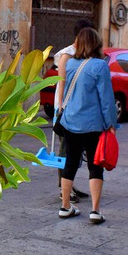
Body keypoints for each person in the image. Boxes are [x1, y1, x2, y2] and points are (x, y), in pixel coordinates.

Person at [54, 27, 118, 224]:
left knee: (70, 163)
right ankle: (95, 211)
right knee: (95, 166)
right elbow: (106, 99)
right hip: (93, 124)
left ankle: (65, 206)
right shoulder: (100, 66)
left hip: (71, 121)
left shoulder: (70, 63)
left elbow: (63, 90)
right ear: (96, 43)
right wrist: (111, 124)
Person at [53, 19, 94, 202]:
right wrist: (62, 109)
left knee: (75, 150)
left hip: (80, 109)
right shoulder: (67, 55)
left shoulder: (83, 54)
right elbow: (62, 83)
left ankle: (70, 185)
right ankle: (64, 190)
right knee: (65, 150)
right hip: (67, 109)